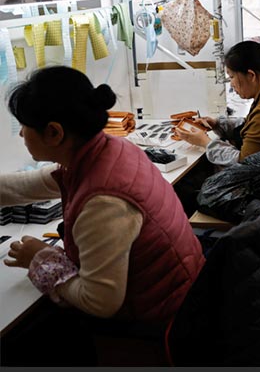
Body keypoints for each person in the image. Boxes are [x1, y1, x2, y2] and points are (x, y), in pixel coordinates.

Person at [1, 67, 204, 327]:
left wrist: (41, 259)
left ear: (54, 132)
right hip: (182, 291)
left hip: (162, 321)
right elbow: (24, 186)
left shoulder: (104, 202)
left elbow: (100, 301)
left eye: (23, 126)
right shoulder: (110, 149)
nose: (20, 135)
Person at [176, 40, 260, 165]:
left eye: (232, 77)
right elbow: (250, 124)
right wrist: (217, 124)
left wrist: (205, 142)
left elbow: (244, 162)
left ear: (251, 75)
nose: (232, 84)